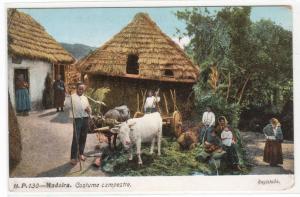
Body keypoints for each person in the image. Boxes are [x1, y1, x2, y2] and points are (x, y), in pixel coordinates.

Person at [65, 82, 91, 165]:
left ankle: (80, 154)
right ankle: (73, 157)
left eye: (83, 89)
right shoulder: (72, 97)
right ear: (77, 88)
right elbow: (66, 107)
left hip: (85, 119)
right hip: (77, 119)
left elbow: (89, 108)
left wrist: (89, 110)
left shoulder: (85, 98)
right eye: (80, 89)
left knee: (83, 137)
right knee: (76, 138)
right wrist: (68, 101)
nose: (81, 90)